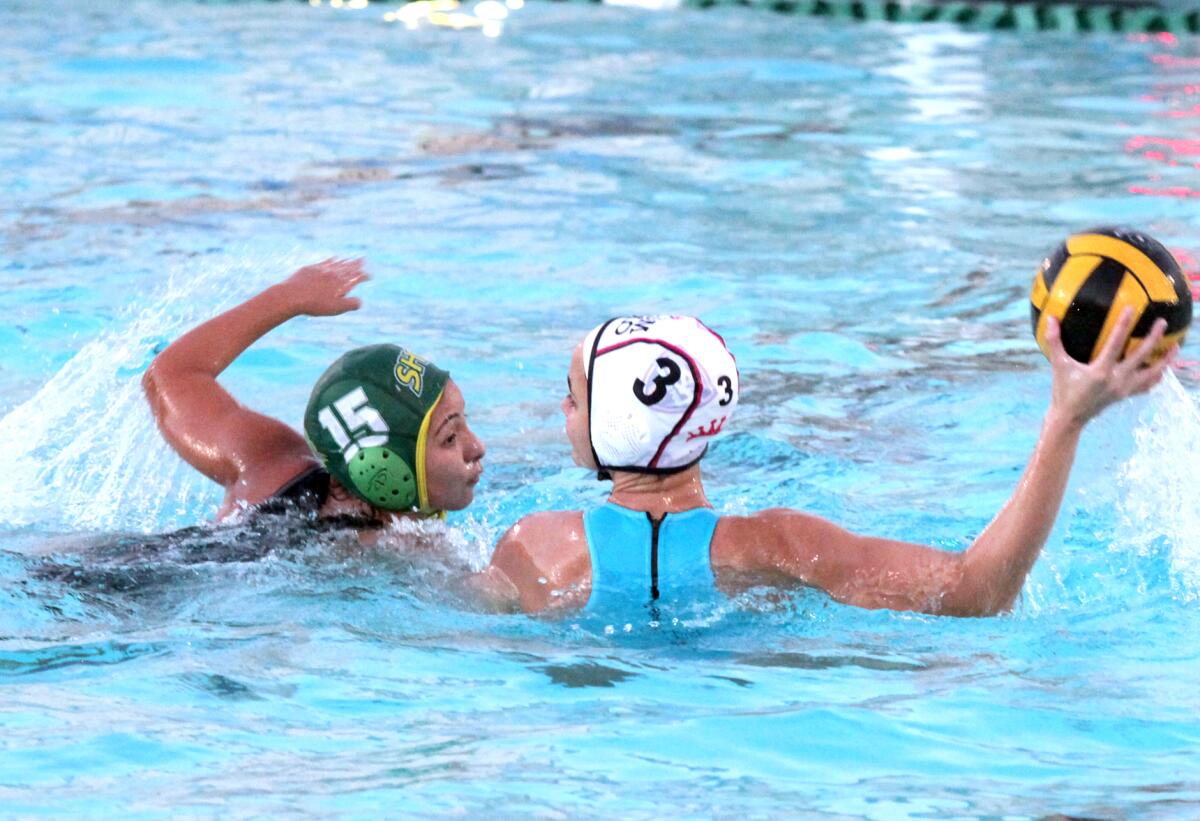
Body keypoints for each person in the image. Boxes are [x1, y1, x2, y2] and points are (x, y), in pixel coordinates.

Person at [474, 310, 1174, 618]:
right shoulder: (781, 545)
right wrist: (1065, 420)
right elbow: (977, 591)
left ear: (615, 422)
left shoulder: (534, 545)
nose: (562, 407)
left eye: (575, 395)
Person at [142, 258, 486, 525]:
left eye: (463, 425)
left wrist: (288, 297)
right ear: (386, 468)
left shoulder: (274, 465)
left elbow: (173, 375)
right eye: (449, 438)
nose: (476, 447)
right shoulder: (402, 553)